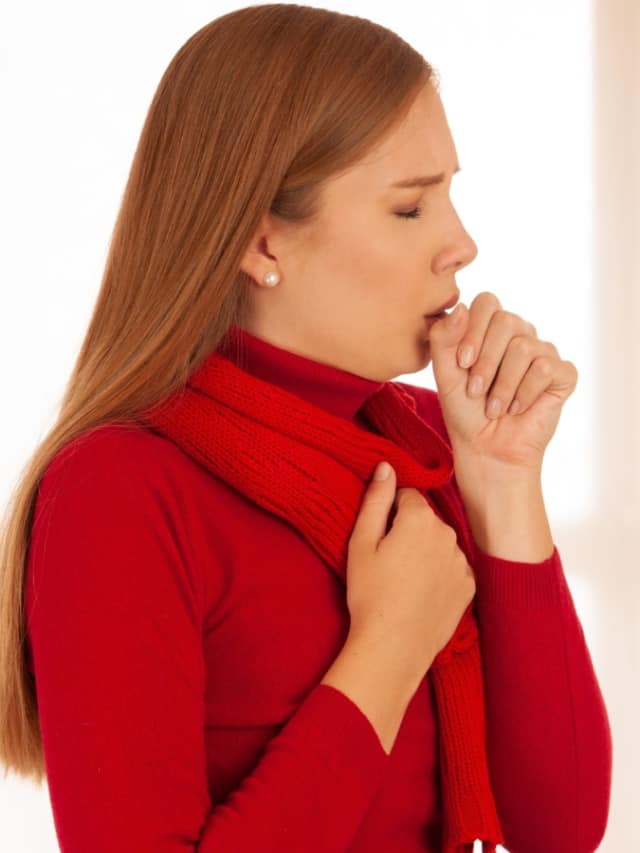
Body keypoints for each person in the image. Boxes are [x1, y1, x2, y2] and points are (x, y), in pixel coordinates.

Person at [0, 5, 612, 852]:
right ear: (261, 244)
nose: (462, 244)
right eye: (410, 208)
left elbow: (562, 828)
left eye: (450, 195)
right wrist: (388, 650)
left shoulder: (436, 447)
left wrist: (505, 484)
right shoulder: (119, 489)